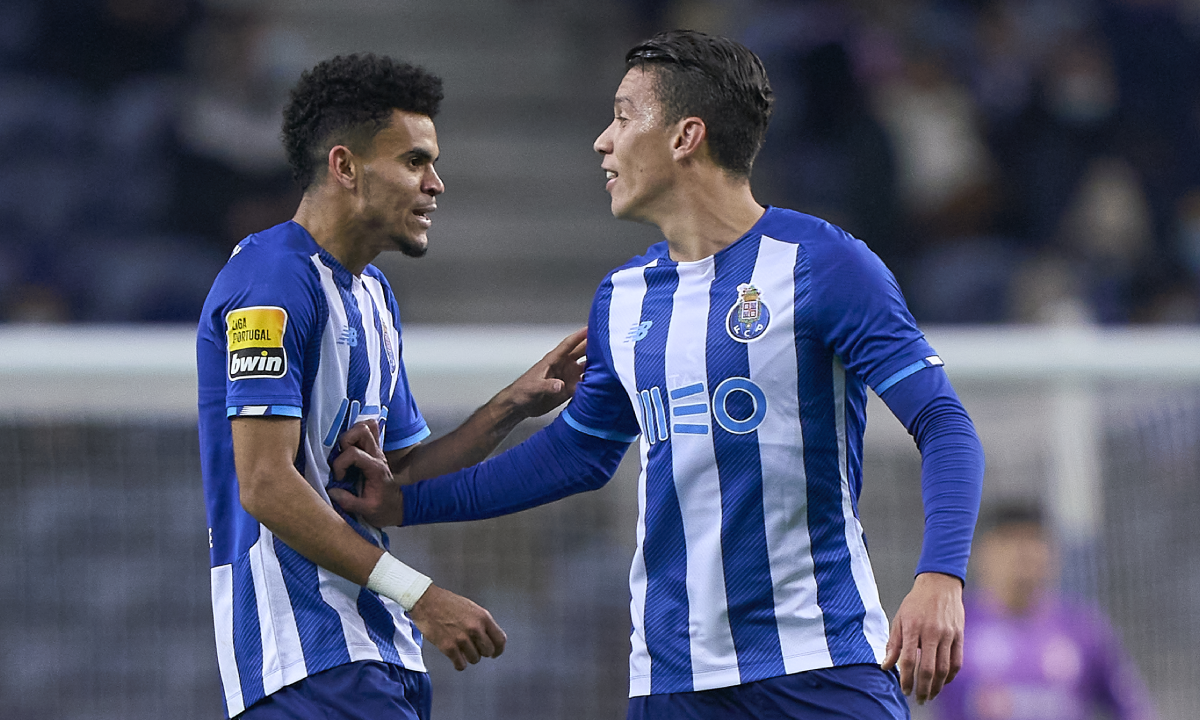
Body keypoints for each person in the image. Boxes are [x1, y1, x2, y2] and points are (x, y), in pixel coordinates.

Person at [334, 30, 986, 720]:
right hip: (672, 682)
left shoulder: (822, 265)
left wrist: (941, 578)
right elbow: (578, 454)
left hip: (819, 666)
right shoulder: (625, 296)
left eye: (622, 115)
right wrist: (409, 503)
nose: (602, 141)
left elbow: (943, 423)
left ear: (686, 136)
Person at [195, 53, 587, 719]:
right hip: (304, 654)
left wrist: (512, 406)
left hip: (376, 650)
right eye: (414, 161)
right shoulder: (272, 281)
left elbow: (398, 477)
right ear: (345, 166)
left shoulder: (374, 294)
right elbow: (263, 483)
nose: (435, 184)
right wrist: (422, 595)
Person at [931, 503, 1157, 720]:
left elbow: (1132, 707)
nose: (1024, 553)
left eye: (1034, 540)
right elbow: (900, 693)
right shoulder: (951, 626)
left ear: (1053, 553)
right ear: (983, 552)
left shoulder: (1082, 629)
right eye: (1010, 540)